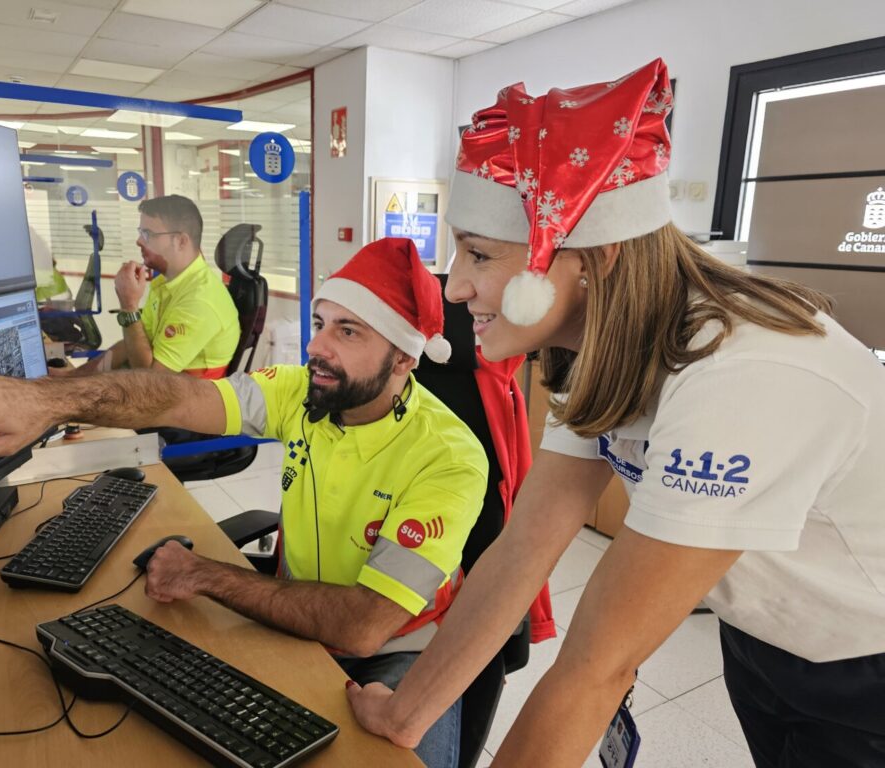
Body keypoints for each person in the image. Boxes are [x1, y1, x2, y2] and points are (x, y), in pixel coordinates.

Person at [344, 58, 885, 767]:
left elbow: (598, 666)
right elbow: (523, 549)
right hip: (767, 629)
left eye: (478, 253)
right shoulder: (602, 344)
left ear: (590, 262)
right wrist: (406, 714)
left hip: (863, 659)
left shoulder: (741, 378)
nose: (458, 285)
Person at [0, 238, 488, 768]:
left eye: (349, 332)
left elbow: (363, 626)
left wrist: (208, 575)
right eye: (320, 322)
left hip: (399, 650)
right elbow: (174, 396)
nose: (316, 346)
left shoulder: (450, 458)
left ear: (405, 359)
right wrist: (47, 401)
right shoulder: (301, 392)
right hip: (302, 625)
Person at [66, 194, 240, 379]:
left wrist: (129, 305)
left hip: (182, 401)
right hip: (164, 392)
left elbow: (150, 381)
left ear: (181, 241)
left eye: (148, 234)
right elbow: (129, 346)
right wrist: (73, 377)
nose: (139, 241)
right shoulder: (165, 283)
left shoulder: (201, 301)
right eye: (140, 232)